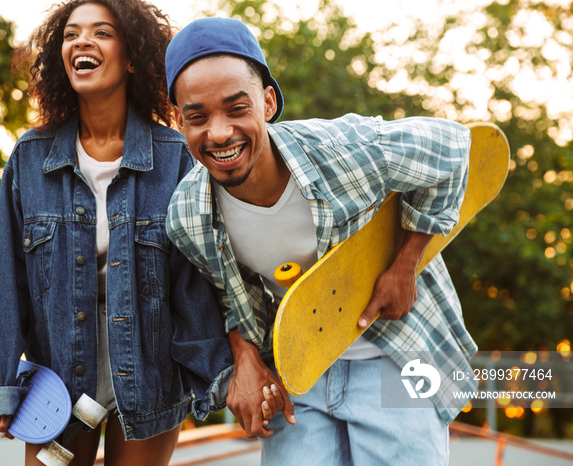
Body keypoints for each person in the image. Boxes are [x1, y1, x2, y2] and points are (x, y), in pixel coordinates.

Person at [164, 17, 478, 465]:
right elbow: (231, 292)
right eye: (198, 117)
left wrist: (406, 264)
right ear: (179, 121)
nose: (218, 133)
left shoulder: (344, 150)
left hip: (397, 355)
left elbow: (452, 146)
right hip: (299, 371)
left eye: (237, 108)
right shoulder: (186, 215)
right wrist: (243, 356)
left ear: (268, 102)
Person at [0, 2, 232, 465]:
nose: (82, 42)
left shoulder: (174, 158)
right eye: (71, 35)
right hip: (60, 378)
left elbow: (195, 278)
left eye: (101, 33)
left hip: (151, 373)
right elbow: (6, 277)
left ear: (131, 57)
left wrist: (219, 375)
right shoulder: (30, 159)